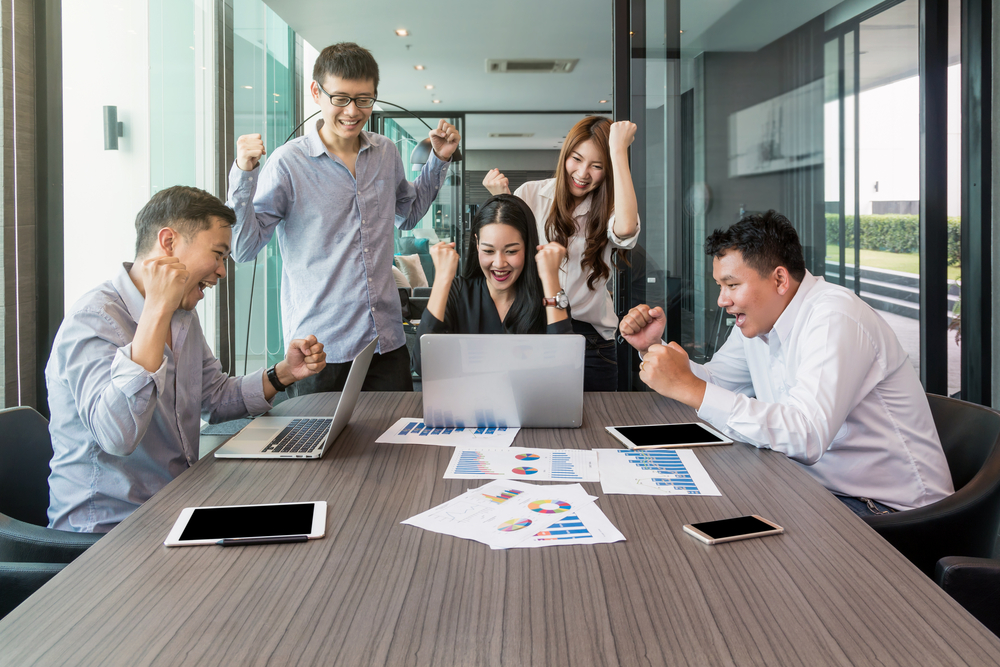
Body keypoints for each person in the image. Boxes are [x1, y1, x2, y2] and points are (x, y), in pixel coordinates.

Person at [619, 210, 953, 516]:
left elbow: (806, 434)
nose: (722, 300)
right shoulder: (760, 322)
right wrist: (654, 349)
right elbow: (714, 384)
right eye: (720, 286)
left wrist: (691, 388)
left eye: (732, 285)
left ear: (779, 279)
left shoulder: (834, 318)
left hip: (889, 511)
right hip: (815, 487)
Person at [45, 186, 328, 533]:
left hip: (175, 504)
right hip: (107, 532)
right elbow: (117, 436)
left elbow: (215, 398)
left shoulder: (182, 318)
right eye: (218, 254)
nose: (222, 271)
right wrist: (156, 311)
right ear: (168, 244)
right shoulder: (93, 320)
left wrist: (283, 373)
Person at [228, 42, 460, 394]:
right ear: (316, 93)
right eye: (340, 98)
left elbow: (407, 216)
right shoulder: (288, 163)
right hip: (318, 351)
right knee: (321, 450)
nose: (352, 111)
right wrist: (244, 174)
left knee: (397, 446)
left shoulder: (386, 152)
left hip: (385, 343)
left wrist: (438, 162)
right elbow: (243, 249)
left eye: (364, 99)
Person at [483, 116, 639, 391]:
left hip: (590, 343)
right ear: (565, 154)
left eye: (597, 165)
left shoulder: (612, 206)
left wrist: (619, 151)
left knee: (595, 430)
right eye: (576, 159)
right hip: (531, 334)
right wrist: (504, 201)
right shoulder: (530, 194)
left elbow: (626, 229)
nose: (583, 173)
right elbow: (508, 261)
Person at [413, 195, 571, 374]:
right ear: (477, 243)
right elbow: (421, 366)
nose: (499, 263)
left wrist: (551, 279)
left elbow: (565, 370)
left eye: (511, 251)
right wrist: (442, 278)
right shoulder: (458, 291)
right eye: (488, 251)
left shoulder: (548, 296)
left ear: (527, 246)